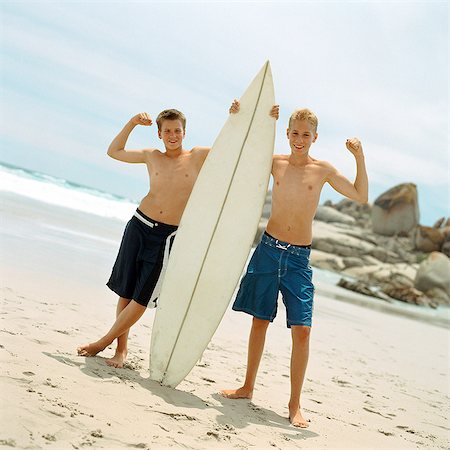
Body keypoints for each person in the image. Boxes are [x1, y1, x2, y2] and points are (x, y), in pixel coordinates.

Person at [220, 102, 368, 428]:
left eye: (306, 134)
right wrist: (241, 116)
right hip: (268, 249)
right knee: (260, 321)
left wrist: (358, 156)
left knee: (302, 331)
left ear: (315, 137)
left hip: (299, 258)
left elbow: (360, 195)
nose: (299, 139)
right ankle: (247, 387)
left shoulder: (323, 170)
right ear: (287, 134)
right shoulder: (276, 163)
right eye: (295, 133)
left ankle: (294, 404)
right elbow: (240, 156)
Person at [77, 109, 210, 368]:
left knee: (142, 296)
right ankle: (121, 350)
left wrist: (237, 114)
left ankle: (102, 342)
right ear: (159, 133)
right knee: (126, 291)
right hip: (139, 225)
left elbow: (236, 149)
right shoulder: (152, 156)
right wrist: (132, 123)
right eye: (167, 131)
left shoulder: (198, 156)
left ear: (185, 132)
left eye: (177, 130)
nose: (173, 135)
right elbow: (114, 151)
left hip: (167, 236)